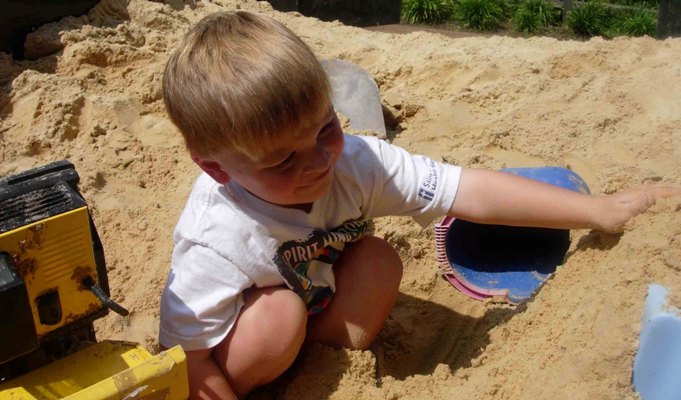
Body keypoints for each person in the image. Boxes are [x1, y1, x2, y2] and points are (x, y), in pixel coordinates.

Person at [158, 11, 680, 400]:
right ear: (218, 169)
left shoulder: (356, 164)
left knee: (379, 259)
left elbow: (471, 191)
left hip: (318, 306)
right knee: (278, 312)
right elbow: (191, 363)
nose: (319, 162)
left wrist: (599, 211)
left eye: (326, 129)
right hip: (246, 347)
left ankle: (324, 372)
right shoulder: (215, 239)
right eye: (282, 162)